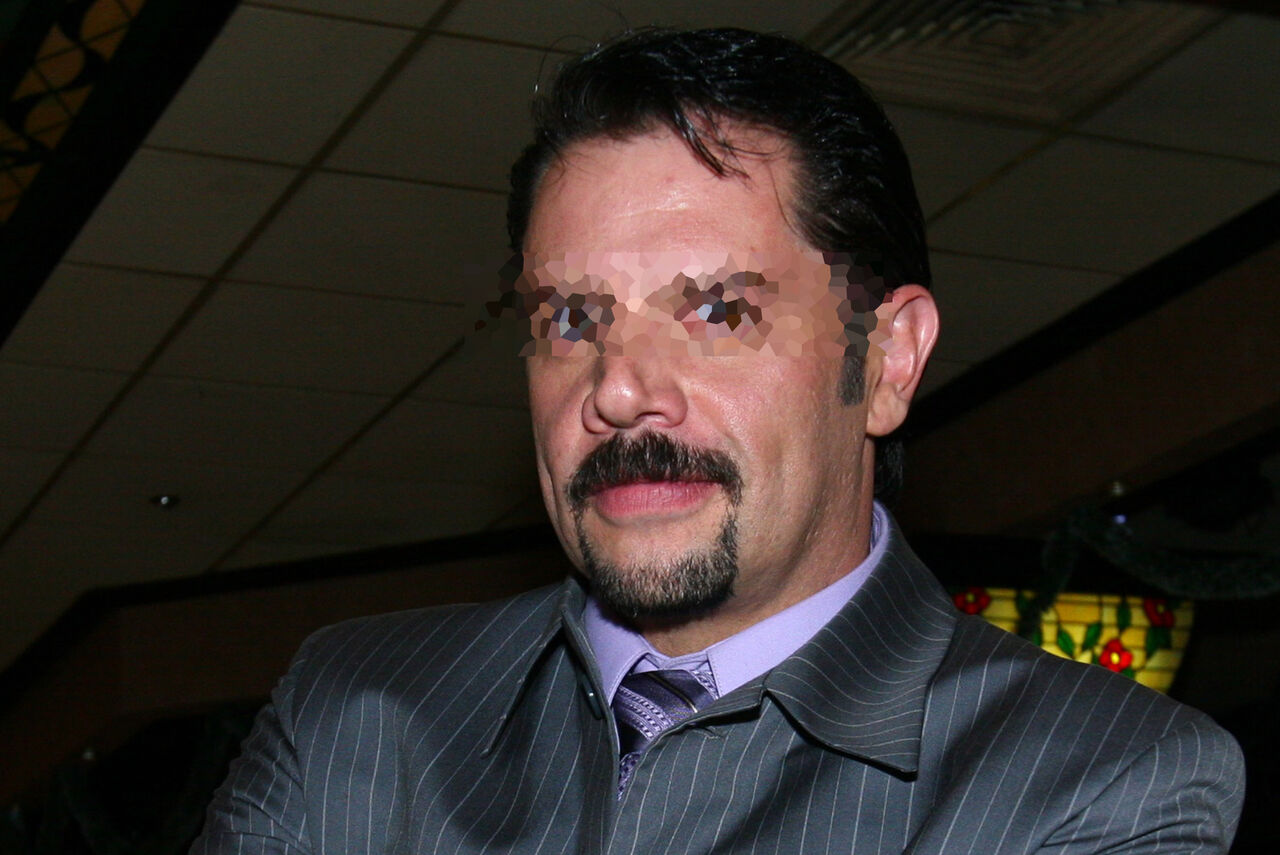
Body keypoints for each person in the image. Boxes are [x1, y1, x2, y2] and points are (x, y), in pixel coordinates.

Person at [192, 28, 1244, 854]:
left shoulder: (1095, 778)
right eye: (573, 318)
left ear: (885, 361)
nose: (617, 389)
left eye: (716, 311)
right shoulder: (360, 714)